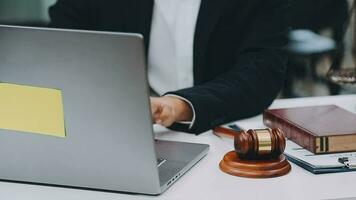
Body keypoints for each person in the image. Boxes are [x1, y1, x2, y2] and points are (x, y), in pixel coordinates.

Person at [49, 0, 288, 134]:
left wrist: (181, 105)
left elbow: (263, 70)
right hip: (123, 129)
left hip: (224, 129)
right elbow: (63, 36)